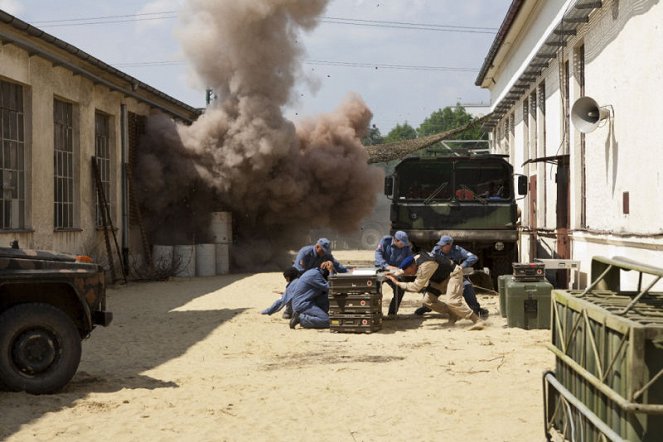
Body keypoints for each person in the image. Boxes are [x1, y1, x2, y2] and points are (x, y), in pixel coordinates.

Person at [385, 252, 484, 330]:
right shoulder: (415, 259)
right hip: (438, 279)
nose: (410, 275)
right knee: (427, 301)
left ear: (412, 266)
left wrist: (398, 283)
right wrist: (395, 274)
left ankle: (477, 320)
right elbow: (405, 269)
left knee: (452, 301)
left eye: (410, 273)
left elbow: (416, 287)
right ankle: (453, 314)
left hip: (452, 275)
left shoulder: (426, 266)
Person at [415, 235, 489, 319]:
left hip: (454, 276)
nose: (441, 246)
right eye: (440, 244)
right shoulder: (436, 250)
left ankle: (476, 309)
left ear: (449, 245)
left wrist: (461, 266)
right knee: (429, 289)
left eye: (443, 245)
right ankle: (427, 307)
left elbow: (473, 257)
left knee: (467, 286)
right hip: (440, 277)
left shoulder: (458, 250)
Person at [262, 262, 333, 329]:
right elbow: (281, 301)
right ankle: (300, 318)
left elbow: (282, 300)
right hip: (301, 306)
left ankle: (303, 317)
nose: (286, 281)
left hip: (302, 305)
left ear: (289, 277)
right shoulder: (310, 276)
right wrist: (267, 311)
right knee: (327, 321)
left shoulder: (307, 276)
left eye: (286, 279)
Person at [374, 230, 413, 315]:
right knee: (375, 290)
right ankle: (376, 313)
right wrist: (386, 266)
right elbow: (378, 254)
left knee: (400, 289)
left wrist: (404, 269)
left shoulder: (406, 246)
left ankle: (392, 313)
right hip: (382, 270)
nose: (403, 245)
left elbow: (409, 258)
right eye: (402, 243)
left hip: (396, 272)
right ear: (396, 240)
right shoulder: (385, 241)